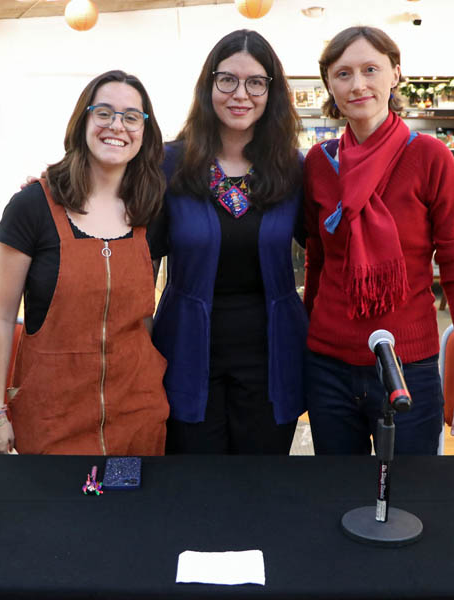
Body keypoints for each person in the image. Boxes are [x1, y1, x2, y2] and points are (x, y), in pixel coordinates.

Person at [302, 26, 454, 460]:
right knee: (337, 495)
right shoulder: (319, 163)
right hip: (328, 365)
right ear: (329, 85)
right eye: (343, 74)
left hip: (409, 364)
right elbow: (317, 260)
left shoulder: (430, 157)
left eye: (370, 70)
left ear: (394, 75)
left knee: (413, 499)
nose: (358, 85)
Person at [0, 70, 169, 455]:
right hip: (53, 418)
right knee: (61, 515)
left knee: (131, 515)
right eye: (104, 112)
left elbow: (142, 318)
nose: (117, 125)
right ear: (83, 119)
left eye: (132, 117)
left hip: (138, 415)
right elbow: (0, 317)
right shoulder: (31, 208)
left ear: (144, 132)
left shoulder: (152, 210)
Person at [151, 30, 307, 455]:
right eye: (228, 80)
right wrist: (53, 192)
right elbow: (133, 247)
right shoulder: (169, 164)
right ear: (209, 85)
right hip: (186, 350)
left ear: (271, 92)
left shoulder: (292, 168)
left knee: (260, 487)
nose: (241, 94)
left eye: (255, 82)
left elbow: (333, 244)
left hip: (272, 355)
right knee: (194, 487)